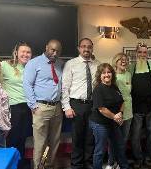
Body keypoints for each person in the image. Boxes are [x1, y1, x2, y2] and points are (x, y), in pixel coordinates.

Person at [24, 39, 64, 169]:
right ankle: (37, 166)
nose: (55, 53)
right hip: (41, 107)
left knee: (55, 141)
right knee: (40, 142)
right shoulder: (34, 63)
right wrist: (33, 106)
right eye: (52, 50)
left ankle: (49, 165)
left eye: (58, 51)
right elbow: (27, 85)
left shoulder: (61, 64)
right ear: (46, 47)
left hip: (57, 108)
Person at [61, 38, 100, 169]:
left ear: (92, 48)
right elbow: (64, 87)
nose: (86, 49)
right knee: (77, 138)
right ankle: (76, 165)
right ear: (79, 48)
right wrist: (66, 107)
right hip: (76, 104)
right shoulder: (71, 64)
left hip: (93, 105)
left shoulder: (97, 64)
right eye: (83, 46)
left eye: (89, 46)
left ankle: (88, 163)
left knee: (90, 136)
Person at [129, 42, 151, 169]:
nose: (142, 54)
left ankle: (148, 157)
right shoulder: (131, 67)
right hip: (136, 106)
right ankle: (138, 158)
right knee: (136, 134)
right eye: (140, 52)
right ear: (136, 53)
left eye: (145, 52)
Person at [89, 63, 129, 169]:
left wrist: (120, 113)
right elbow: (101, 109)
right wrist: (115, 117)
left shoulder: (114, 87)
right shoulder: (98, 89)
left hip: (113, 122)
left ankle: (124, 166)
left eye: (109, 72)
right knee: (100, 150)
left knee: (119, 146)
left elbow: (122, 102)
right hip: (100, 124)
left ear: (112, 74)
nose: (107, 75)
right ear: (100, 76)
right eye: (104, 73)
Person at [1, 42, 32, 169]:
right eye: (23, 51)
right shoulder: (5, 65)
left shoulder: (31, 67)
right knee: (13, 140)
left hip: (28, 107)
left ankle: (21, 165)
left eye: (28, 52)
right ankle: (11, 165)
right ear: (16, 53)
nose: (25, 54)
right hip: (14, 108)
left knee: (23, 139)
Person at [106, 53, 133, 169]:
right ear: (115, 61)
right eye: (121, 60)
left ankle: (121, 162)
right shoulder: (112, 76)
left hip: (128, 111)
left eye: (126, 60)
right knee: (113, 139)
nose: (124, 61)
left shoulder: (128, 74)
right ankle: (111, 162)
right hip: (116, 113)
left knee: (124, 139)